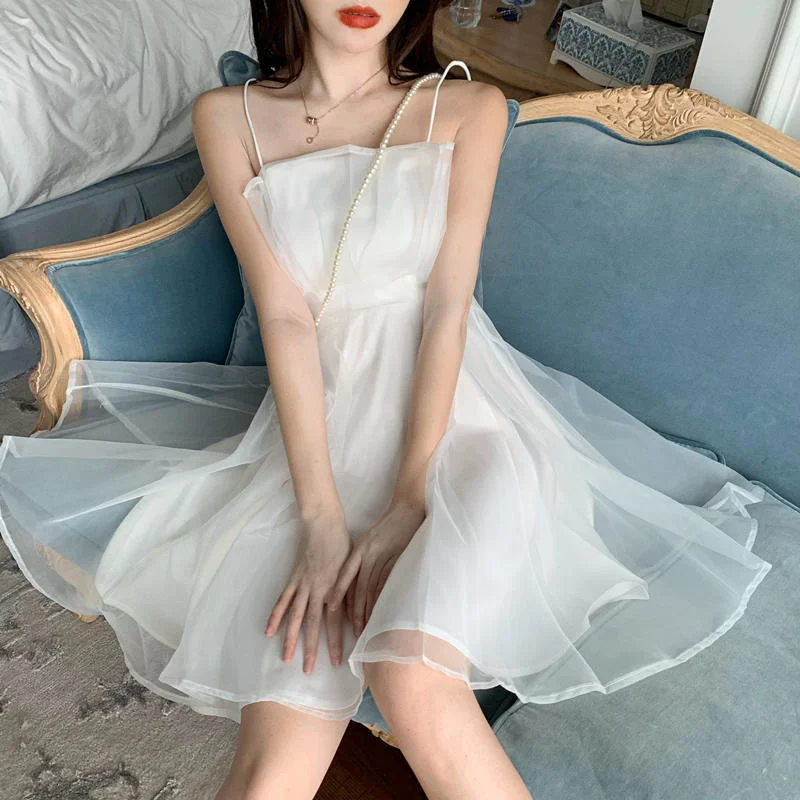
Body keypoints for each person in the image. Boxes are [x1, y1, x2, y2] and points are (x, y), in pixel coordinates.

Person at [0, 1, 773, 799]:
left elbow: (447, 305)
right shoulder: (227, 118)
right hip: (316, 441)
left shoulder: (467, 108)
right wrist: (321, 519)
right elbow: (285, 317)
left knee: (413, 676)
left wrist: (411, 495)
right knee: (281, 736)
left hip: (465, 429)